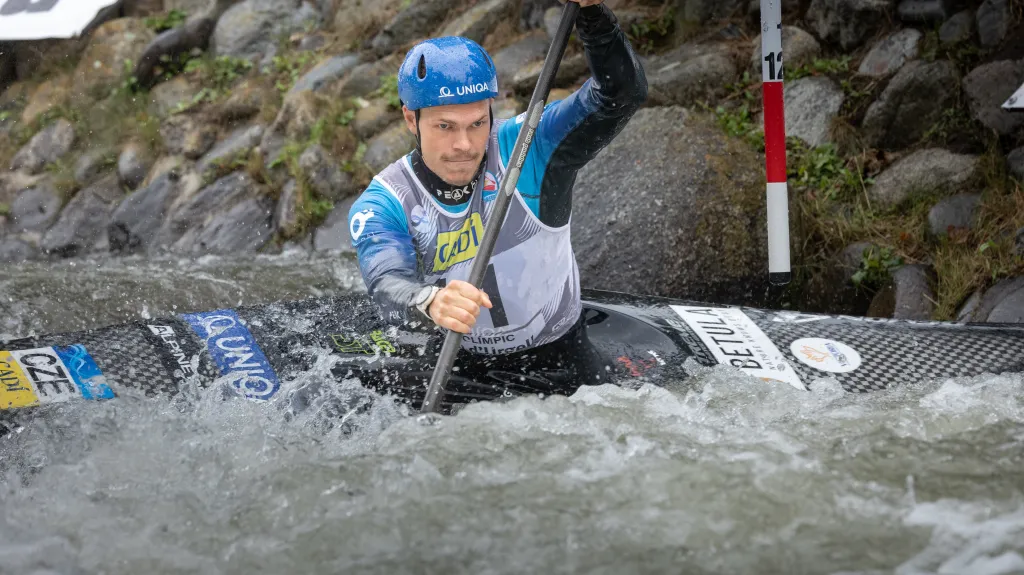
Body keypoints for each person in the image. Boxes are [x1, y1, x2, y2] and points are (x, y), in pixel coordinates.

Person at [348, 0, 647, 372]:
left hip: (563, 359)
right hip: (456, 367)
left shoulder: (530, 146)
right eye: (445, 126)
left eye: (477, 123)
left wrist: (593, 14)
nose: (465, 144)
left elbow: (620, 95)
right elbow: (386, 282)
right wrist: (428, 300)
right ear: (411, 119)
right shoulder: (385, 201)